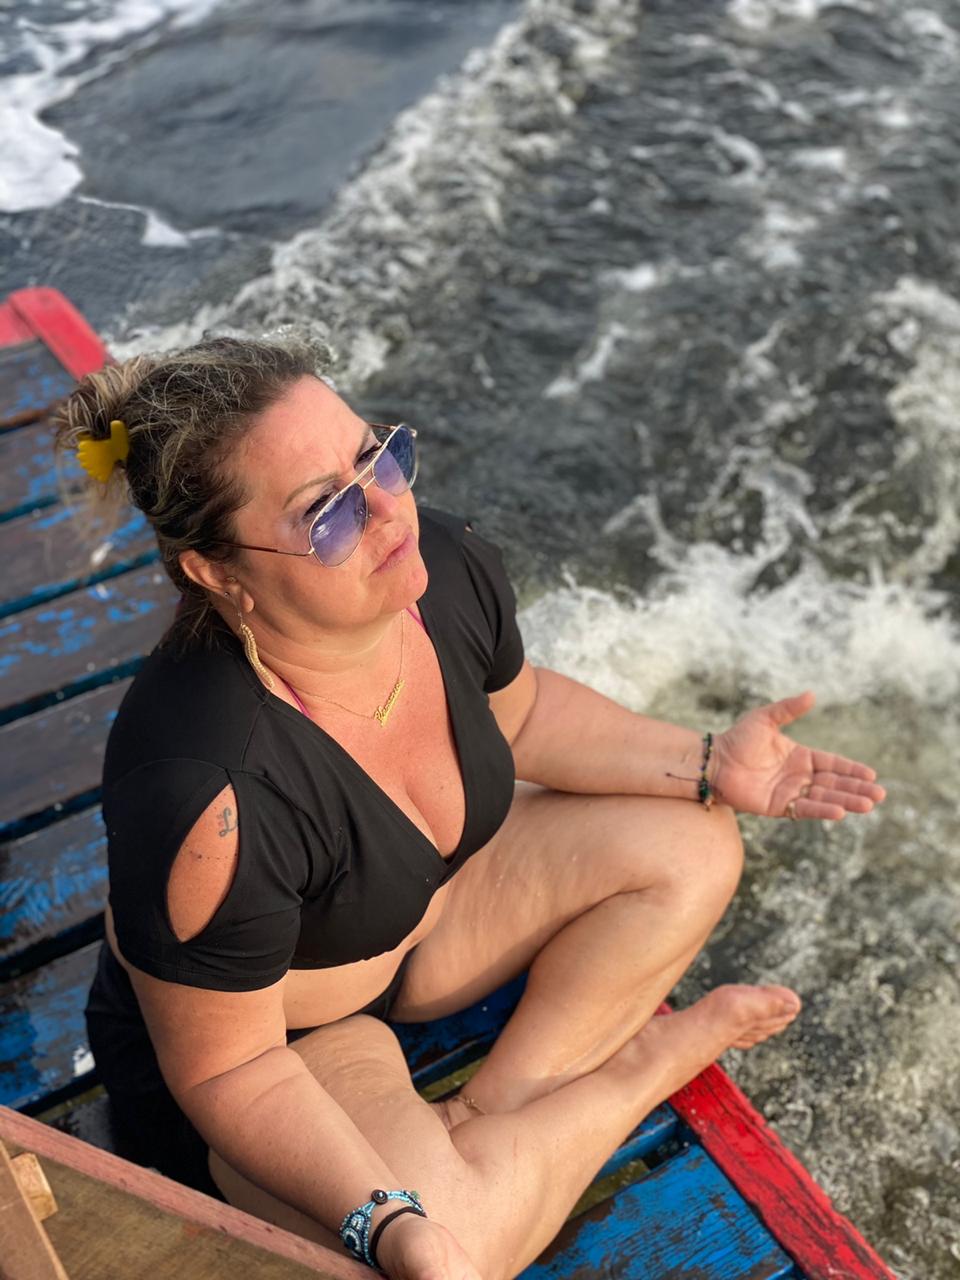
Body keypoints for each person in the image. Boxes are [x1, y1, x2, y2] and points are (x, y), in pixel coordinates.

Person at [57, 334, 885, 1280]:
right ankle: (635, 1076)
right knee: (453, 1244)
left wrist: (708, 761)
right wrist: (391, 1223)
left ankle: (496, 1114)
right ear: (217, 571)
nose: (386, 510)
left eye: (377, 457)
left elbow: (521, 716)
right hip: (284, 1052)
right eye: (325, 513)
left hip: (426, 928)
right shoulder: (209, 789)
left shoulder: (437, 569)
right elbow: (227, 1069)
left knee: (692, 839)